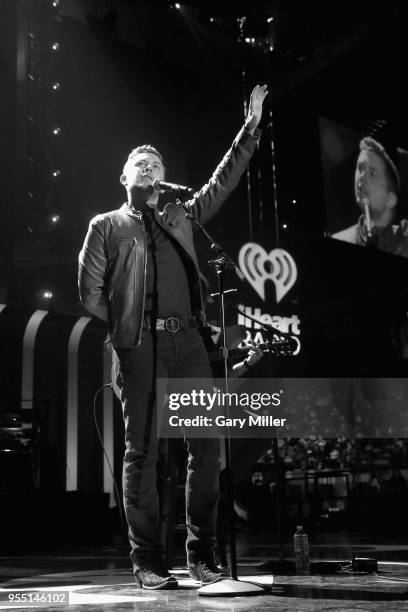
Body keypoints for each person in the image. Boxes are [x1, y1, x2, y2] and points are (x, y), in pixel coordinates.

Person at [78, 84, 268, 590]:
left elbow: (221, 183)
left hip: (189, 346)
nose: (150, 168)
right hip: (140, 347)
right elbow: (90, 292)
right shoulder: (107, 226)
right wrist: (127, 329)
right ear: (123, 176)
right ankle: (148, 561)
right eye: (141, 163)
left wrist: (247, 133)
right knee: (144, 452)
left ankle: (202, 556)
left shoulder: (182, 216)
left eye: (157, 164)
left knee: (206, 450)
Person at [332, 136, 408, 256]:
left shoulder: (404, 242)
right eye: (360, 168)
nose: (362, 176)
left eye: (372, 173)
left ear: (390, 199)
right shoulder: (339, 239)